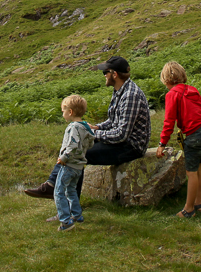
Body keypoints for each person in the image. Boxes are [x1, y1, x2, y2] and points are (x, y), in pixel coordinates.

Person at [23, 55, 151, 200]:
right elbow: (113, 121)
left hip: (131, 147)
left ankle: (68, 204)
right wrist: (96, 127)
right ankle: (52, 186)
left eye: (105, 72)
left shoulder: (130, 96)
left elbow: (121, 135)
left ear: (114, 74)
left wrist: (91, 134)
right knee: (77, 145)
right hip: (122, 142)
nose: (103, 75)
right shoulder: (120, 90)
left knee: (80, 153)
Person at [155, 61, 201, 218]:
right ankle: (198, 203)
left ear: (166, 79)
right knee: (199, 168)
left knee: (191, 172)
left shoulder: (172, 94)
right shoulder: (192, 90)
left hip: (194, 135)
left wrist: (162, 144)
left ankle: (188, 209)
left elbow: (169, 122)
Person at [54, 94, 95, 231]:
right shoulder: (85, 127)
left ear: (70, 112)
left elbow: (72, 145)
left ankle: (66, 221)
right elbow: (90, 143)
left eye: (63, 111)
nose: (63, 113)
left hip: (69, 165)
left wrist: (64, 158)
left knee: (59, 191)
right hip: (79, 166)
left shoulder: (73, 127)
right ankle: (77, 215)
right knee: (71, 189)